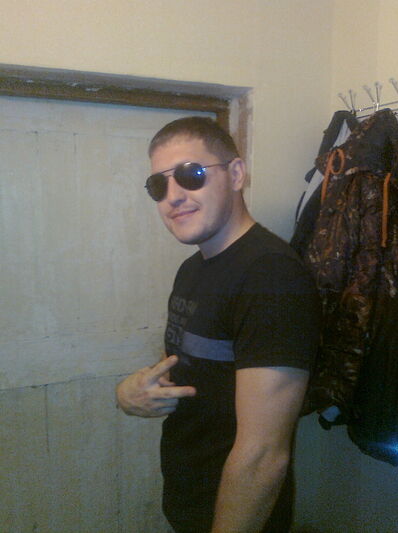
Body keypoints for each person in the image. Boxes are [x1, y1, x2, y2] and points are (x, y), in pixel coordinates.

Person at [116, 117, 320, 533]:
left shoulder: (271, 276)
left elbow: (262, 454)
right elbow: (187, 369)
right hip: (190, 500)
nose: (173, 196)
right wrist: (132, 392)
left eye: (191, 175)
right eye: (158, 185)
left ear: (236, 174)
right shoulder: (193, 269)